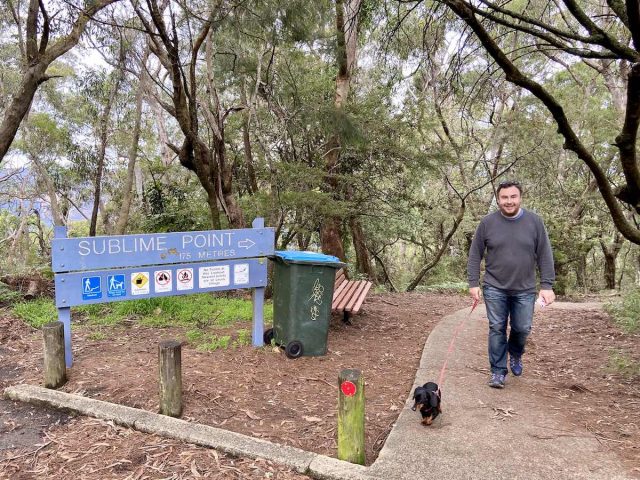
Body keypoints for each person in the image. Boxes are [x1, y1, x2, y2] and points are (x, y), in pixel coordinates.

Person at [467, 180, 555, 389]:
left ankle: (515, 354)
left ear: (520, 197)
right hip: (494, 286)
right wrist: (473, 282)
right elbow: (474, 254)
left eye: (513, 197)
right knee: (496, 328)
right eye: (504, 197)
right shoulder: (487, 223)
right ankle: (498, 371)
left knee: (522, 328)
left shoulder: (535, 222)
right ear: (498, 199)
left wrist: (547, 285)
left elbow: (544, 254)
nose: (509, 201)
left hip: (524, 288)